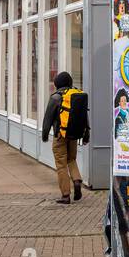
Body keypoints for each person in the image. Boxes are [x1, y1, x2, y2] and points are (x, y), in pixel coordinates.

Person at [42, 71, 89, 205]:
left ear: (57, 84)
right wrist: (86, 134)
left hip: (60, 135)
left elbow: (48, 119)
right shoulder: (76, 95)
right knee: (71, 159)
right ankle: (77, 180)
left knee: (61, 164)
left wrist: (45, 135)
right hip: (74, 134)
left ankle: (65, 195)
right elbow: (85, 117)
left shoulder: (56, 97)